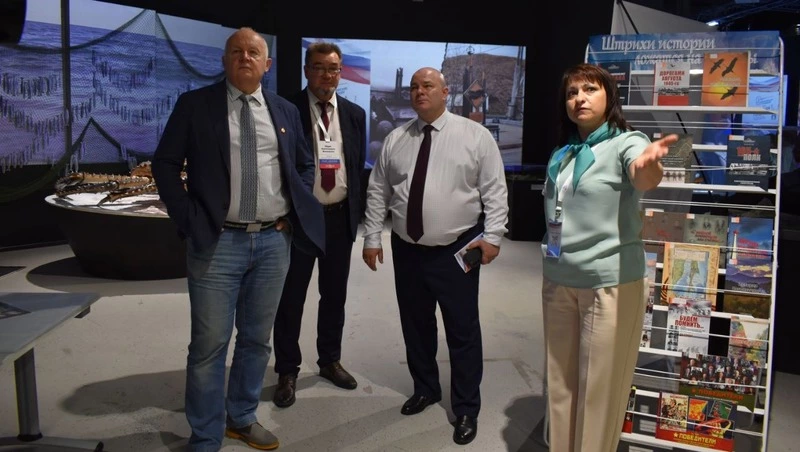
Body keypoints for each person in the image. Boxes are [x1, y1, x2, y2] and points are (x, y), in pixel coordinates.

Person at [151, 27, 324, 452]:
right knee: (209, 345)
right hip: (217, 242)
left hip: (272, 243)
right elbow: (165, 163)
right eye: (236, 51)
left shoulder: (285, 111)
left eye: (253, 52)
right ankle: (206, 435)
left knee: (256, 340)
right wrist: (189, 217)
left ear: (267, 64)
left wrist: (291, 213)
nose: (245, 57)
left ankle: (242, 418)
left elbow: (304, 165)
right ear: (225, 60)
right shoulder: (195, 105)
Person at [361, 67, 508, 446]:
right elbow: (378, 191)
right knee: (415, 324)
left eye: (427, 86)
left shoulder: (474, 136)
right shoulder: (397, 139)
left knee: (462, 330)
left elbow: (495, 190)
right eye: (414, 87)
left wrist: (493, 236)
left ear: (445, 92)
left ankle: (466, 408)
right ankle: (425, 388)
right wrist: (372, 237)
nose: (418, 91)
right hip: (407, 248)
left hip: (458, 250)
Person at [541, 63, 678, 452]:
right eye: (572, 93)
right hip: (559, 278)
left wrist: (649, 164)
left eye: (590, 89)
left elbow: (643, 175)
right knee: (561, 384)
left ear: (609, 97)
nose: (579, 98)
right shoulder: (564, 152)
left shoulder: (627, 142)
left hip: (608, 283)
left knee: (599, 390)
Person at [272, 41, 367, 407]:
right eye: (319, 67)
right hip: (300, 220)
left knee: (334, 295)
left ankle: (329, 360)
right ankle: (287, 370)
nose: (327, 75)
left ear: (340, 73)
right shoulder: (286, 109)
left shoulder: (355, 115)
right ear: (306, 70)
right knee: (291, 298)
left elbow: (355, 168)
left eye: (333, 69)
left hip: (340, 217)